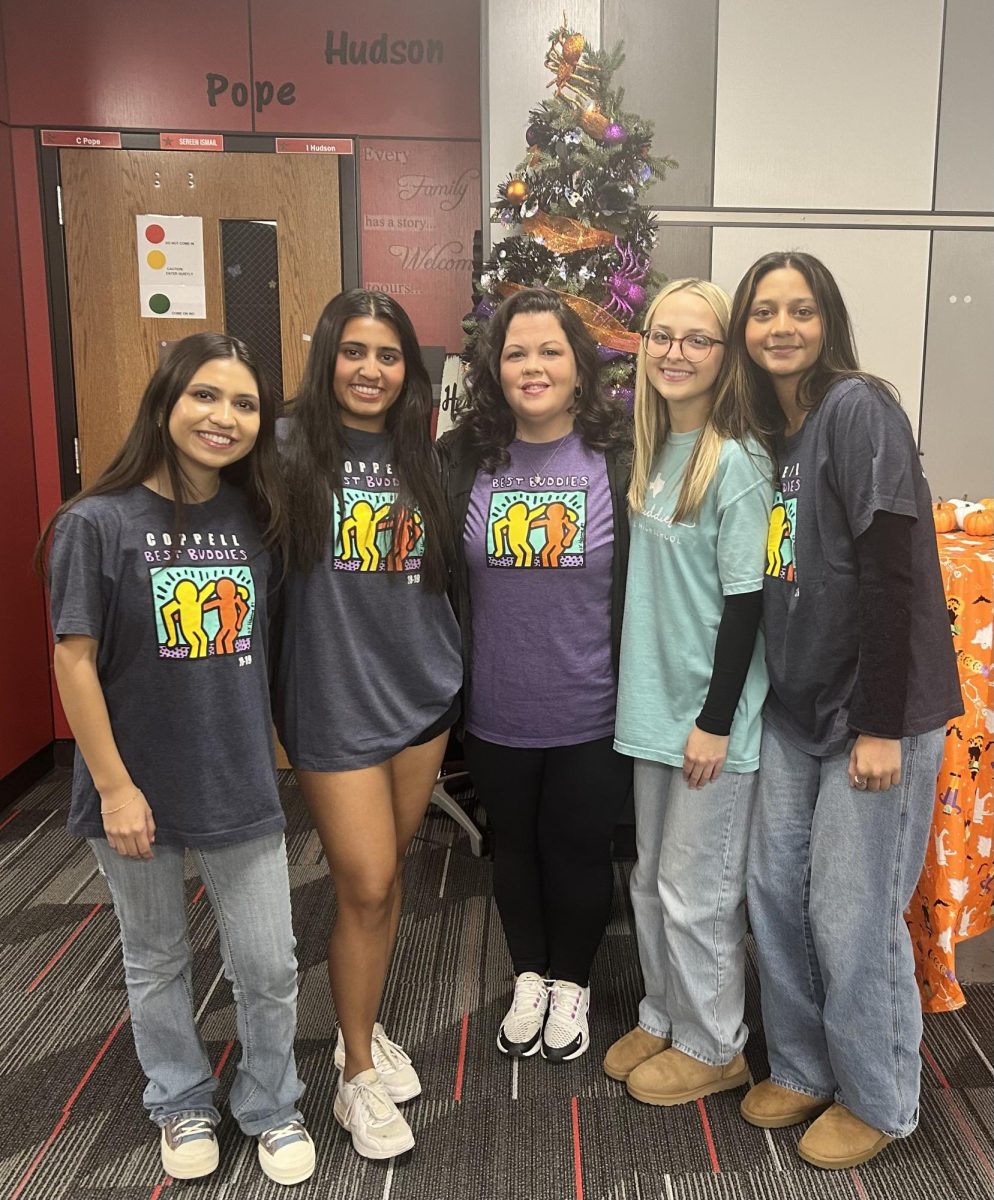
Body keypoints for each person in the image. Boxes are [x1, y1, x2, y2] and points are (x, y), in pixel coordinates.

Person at [37, 334, 315, 1186]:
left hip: (235, 778)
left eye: (242, 404)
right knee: (155, 955)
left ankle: (271, 1103)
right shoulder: (97, 522)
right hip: (133, 790)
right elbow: (72, 660)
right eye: (203, 396)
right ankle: (181, 1097)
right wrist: (116, 788)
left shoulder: (256, 517)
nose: (221, 417)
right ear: (165, 402)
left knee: (268, 961)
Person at [726, 252, 963, 1168]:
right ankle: (801, 1064)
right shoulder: (777, 432)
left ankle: (879, 1094)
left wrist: (877, 723)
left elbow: (894, 569)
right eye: (763, 312)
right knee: (776, 892)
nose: (781, 327)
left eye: (801, 310)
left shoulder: (859, 407)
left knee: (854, 913)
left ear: (829, 320)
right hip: (797, 708)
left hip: (876, 712)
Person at [276, 289, 461, 1160]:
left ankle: (368, 1022)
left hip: (421, 697)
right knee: (366, 882)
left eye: (388, 356)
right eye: (354, 351)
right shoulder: (282, 449)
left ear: (407, 372)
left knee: (385, 885)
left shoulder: (422, 456)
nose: (371, 370)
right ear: (328, 357)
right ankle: (354, 1074)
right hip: (333, 703)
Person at [441, 287, 633, 1063]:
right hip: (495, 706)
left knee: (582, 849)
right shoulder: (461, 459)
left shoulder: (618, 457)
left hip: (595, 705)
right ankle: (529, 974)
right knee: (512, 847)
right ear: (495, 366)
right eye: (516, 352)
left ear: (579, 367)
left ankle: (573, 984)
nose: (533, 366)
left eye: (550, 351)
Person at [604, 280, 772, 1104]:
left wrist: (713, 722)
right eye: (660, 335)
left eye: (696, 339)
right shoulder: (653, 448)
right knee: (647, 880)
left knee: (696, 889)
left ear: (724, 353)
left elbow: (747, 605)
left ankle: (716, 1045)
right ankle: (665, 1014)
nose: (674, 352)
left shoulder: (735, 461)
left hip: (711, 721)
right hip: (651, 708)